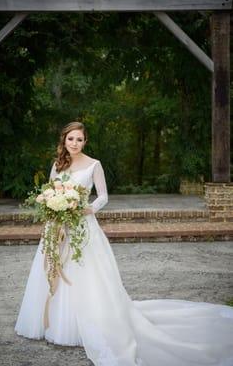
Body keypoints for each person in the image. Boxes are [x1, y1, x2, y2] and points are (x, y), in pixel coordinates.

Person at [15, 121, 233, 366]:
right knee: (56, 269)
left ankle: (88, 324)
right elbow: (50, 191)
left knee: (84, 274)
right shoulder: (58, 164)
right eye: (70, 139)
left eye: (79, 139)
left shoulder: (94, 165)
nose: (74, 143)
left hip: (82, 226)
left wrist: (88, 209)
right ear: (63, 140)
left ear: (85, 141)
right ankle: (56, 322)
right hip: (57, 227)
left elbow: (104, 196)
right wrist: (52, 207)